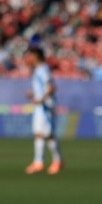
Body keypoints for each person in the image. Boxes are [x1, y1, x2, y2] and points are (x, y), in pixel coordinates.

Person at [24, 46, 62, 175]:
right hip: (40, 106)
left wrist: (41, 99)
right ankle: (38, 161)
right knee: (39, 133)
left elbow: (51, 87)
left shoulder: (43, 69)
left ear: (36, 56)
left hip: (45, 106)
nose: (28, 58)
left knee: (48, 134)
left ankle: (57, 160)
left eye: (30, 55)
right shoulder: (38, 70)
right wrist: (34, 96)